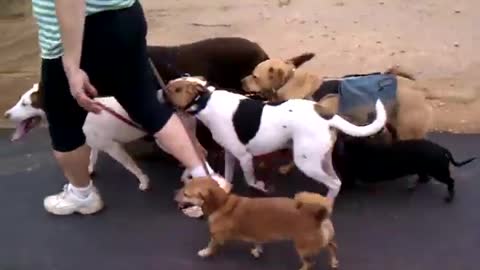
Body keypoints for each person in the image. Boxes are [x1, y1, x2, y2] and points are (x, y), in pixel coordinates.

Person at [32, 0, 227, 215]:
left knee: (64, 127)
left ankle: (82, 195)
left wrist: (71, 66)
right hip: (124, 15)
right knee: (147, 105)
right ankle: (206, 179)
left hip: (79, 34)